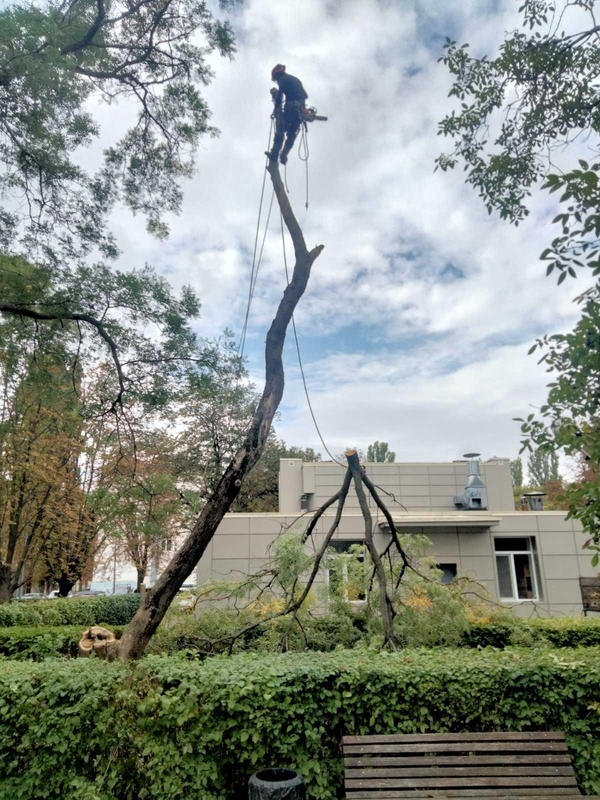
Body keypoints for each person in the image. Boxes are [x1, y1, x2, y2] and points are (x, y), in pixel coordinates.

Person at [267, 64, 308, 165]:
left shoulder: (282, 79)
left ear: (277, 75)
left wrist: (276, 109)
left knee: (281, 130)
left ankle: (274, 155)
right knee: (291, 134)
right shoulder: (295, 79)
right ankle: (284, 154)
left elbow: (280, 95)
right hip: (298, 110)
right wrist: (302, 107)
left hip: (291, 106)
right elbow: (305, 95)